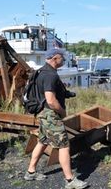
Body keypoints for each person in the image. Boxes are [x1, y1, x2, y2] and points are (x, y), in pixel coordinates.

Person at [25, 48, 88, 189]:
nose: (64, 61)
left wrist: (67, 94)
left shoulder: (41, 71)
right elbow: (51, 100)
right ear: (55, 58)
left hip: (42, 113)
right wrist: (62, 111)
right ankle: (70, 180)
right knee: (64, 145)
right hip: (50, 114)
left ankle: (30, 172)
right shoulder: (50, 75)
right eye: (62, 58)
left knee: (42, 141)